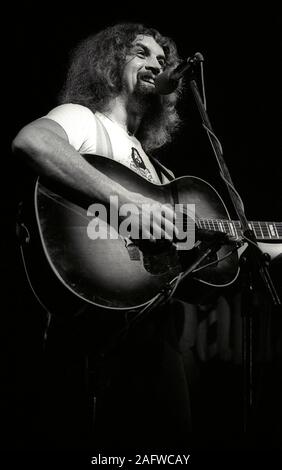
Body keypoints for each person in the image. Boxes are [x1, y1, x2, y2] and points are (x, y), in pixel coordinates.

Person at [12, 23, 193, 452]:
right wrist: (124, 200)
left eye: (163, 60)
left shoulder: (158, 171)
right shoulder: (84, 120)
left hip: (156, 335)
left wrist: (256, 243)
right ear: (111, 64)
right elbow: (33, 141)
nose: (157, 64)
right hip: (94, 331)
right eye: (141, 53)